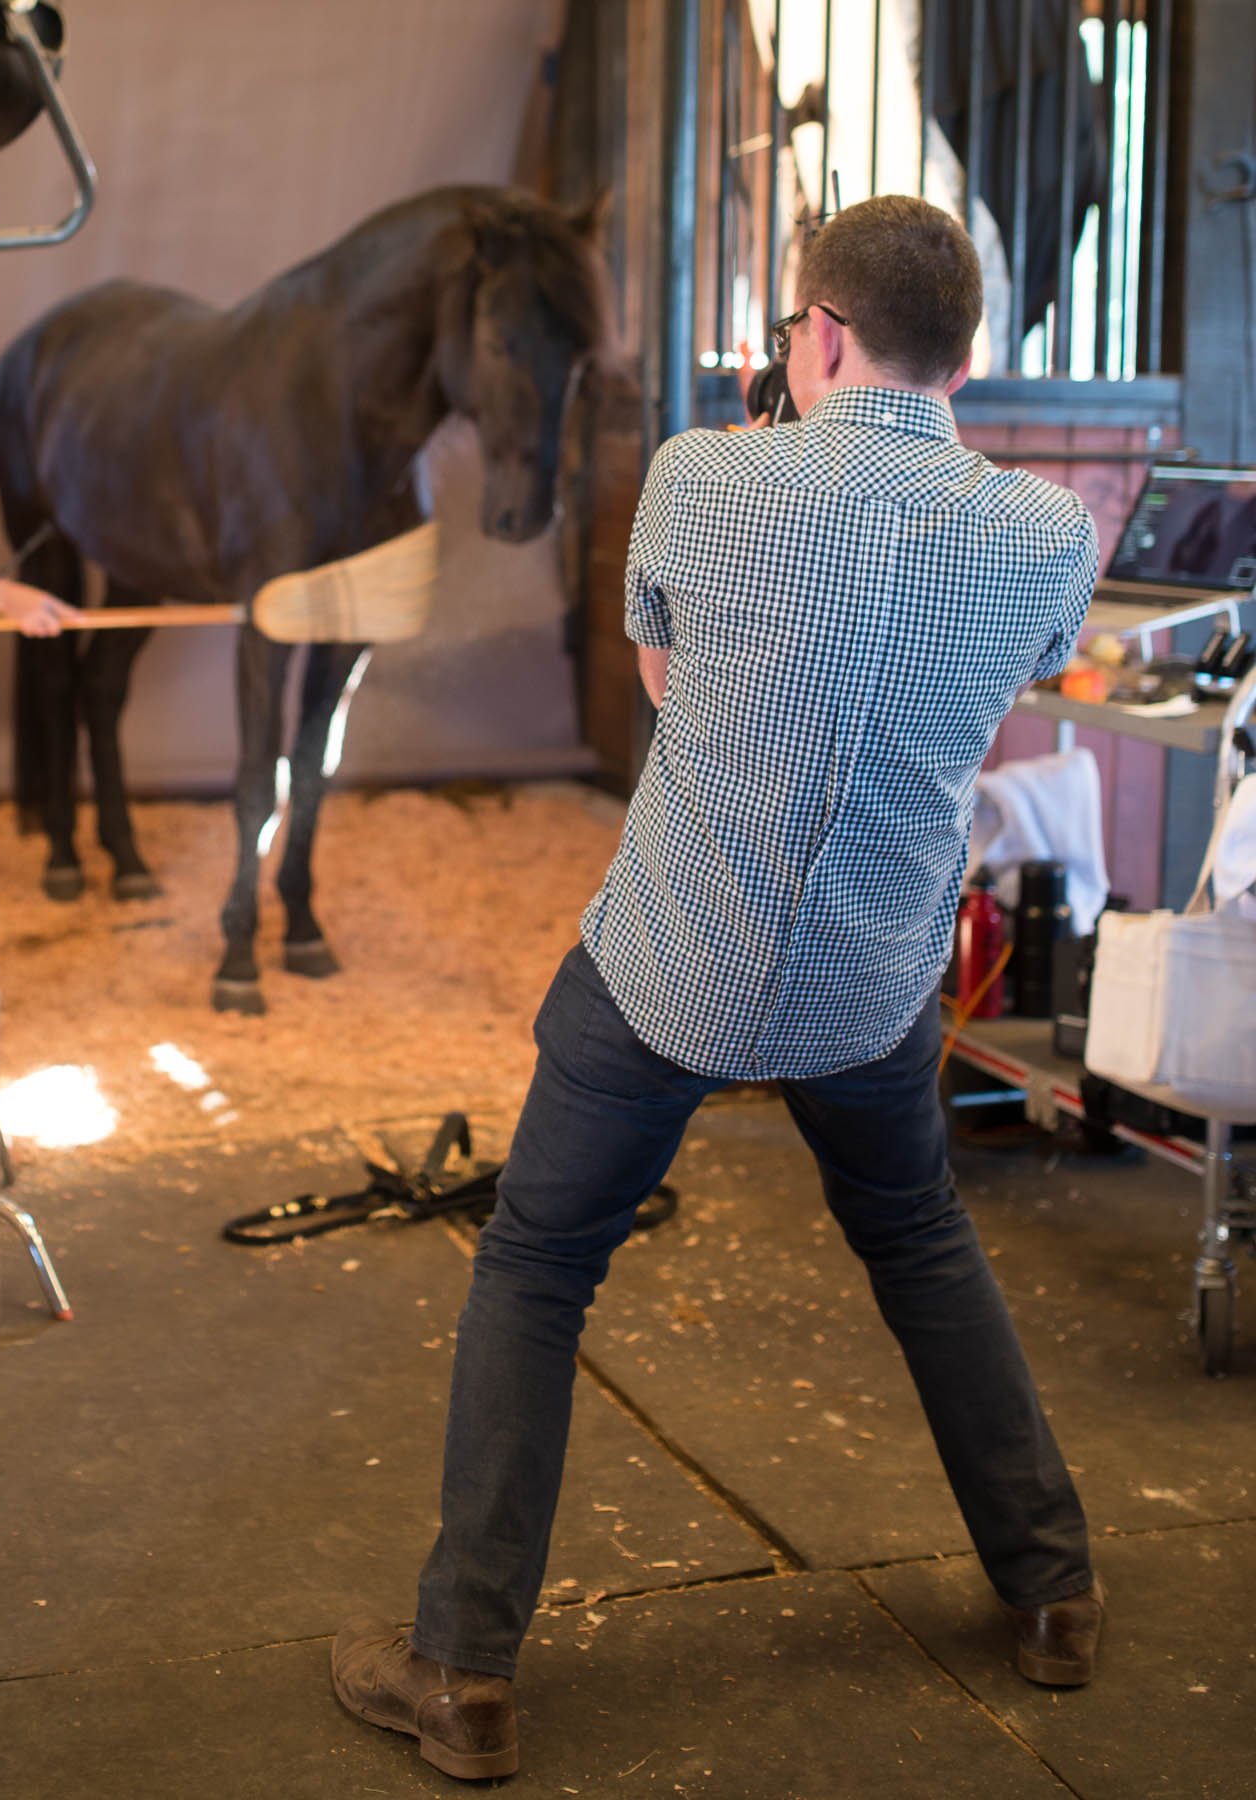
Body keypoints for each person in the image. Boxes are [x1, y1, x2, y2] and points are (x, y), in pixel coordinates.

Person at [331, 194, 1104, 1783]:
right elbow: (1000, 685)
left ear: (814, 333)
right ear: (962, 358)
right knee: (922, 1243)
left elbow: (677, 691)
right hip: (874, 981)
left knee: (539, 1268)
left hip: (675, 958)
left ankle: (465, 1671)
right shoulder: (1046, 533)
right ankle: (1055, 1594)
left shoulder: (702, 473)